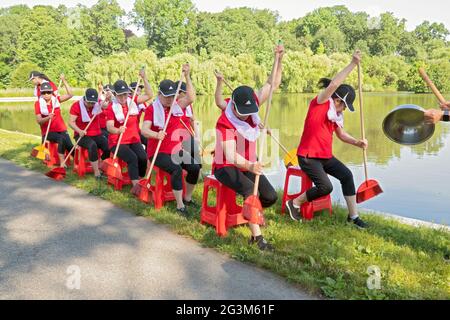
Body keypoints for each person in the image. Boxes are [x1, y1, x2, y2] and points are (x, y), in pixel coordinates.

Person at [285, 50, 369, 228]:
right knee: (326, 187)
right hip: (308, 156)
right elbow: (334, 84)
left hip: (324, 156)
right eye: (345, 106)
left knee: (347, 175)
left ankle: (353, 217)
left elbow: (341, 135)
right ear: (338, 100)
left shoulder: (336, 116)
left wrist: (357, 142)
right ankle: (295, 203)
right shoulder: (321, 102)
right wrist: (353, 64)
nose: (344, 110)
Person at [212, 45, 284, 251]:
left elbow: (272, 84)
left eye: (249, 111)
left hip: (249, 165)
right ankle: (257, 239)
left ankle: (254, 213)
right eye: (241, 112)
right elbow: (231, 155)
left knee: (270, 196)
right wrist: (251, 166)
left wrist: (278, 59)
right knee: (248, 191)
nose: (245, 115)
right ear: (233, 105)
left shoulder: (252, 105)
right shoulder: (225, 121)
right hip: (226, 166)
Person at [141, 64, 200, 216]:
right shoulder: (152, 109)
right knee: (176, 169)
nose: (169, 99)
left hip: (176, 149)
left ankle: (187, 198)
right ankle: (180, 206)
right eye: (166, 96)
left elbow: (191, 97)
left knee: (195, 167)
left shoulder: (177, 106)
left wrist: (187, 76)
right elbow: (144, 130)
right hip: (158, 152)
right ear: (159, 94)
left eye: (172, 96)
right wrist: (156, 135)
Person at [105, 69, 153, 189]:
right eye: (120, 95)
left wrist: (144, 78)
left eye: (125, 94)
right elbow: (109, 127)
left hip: (134, 139)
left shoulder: (133, 102)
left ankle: (141, 179)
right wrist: (117, 130)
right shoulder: (111, 108)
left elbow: (149, 95)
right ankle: (136, 186)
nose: (122, 97)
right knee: (132, 158)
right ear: (115, 95)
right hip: (117, 141)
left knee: (142, 157)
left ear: (128, 94)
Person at [69, 88, 110, 180]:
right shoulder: (76, 106)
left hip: (96, 133)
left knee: (108, 146)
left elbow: (105, 105)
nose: (91, 105)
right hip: (81, 135)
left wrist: (107, 99)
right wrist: (79, 131)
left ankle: (99, 164)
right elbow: (71, 122)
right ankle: (97, 173)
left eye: (93, 103)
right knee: (92, 145)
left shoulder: (97, 104)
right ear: (84, 99)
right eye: (89, 102)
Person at [34, 77, 74, 166]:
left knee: (70, 146)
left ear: (52, 92)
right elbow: (39, 121)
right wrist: (48, 117)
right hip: (48, 132)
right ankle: (62, 162)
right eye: (44, 92)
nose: (46, 94)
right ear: (41, 93)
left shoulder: (56, 99)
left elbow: (70, 94)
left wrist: (64, 80)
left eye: (48, 92)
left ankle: (77, 161)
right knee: (61, 139)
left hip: (61, 129)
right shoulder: (38, 104)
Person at [176, 81, 202, 166]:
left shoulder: (188, 105)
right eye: (186, 93)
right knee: (181, 156)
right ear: (179, 92)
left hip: (186, 134)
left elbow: (192, 120)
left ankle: (199, 171)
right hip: (175, 136)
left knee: (195, 151)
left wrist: (197, 136)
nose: (188, 95)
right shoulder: (172, 104)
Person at [130, 81, 149, 149]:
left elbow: (148, 111)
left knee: (148, 141)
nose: (140, 93)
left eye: (140, 91)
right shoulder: (130, 101)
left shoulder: (142, 103)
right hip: (130, 132)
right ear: (131, 91)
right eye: (137, 90)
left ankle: (148, 158)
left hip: (137, 130)